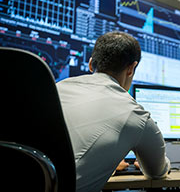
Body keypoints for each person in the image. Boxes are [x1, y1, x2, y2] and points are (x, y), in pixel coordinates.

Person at [57, 31, 170, 192]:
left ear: (90, 64)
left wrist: (102, 159)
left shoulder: (57, 88)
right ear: (131, 68)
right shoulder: (135, 114)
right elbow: (157, 173)